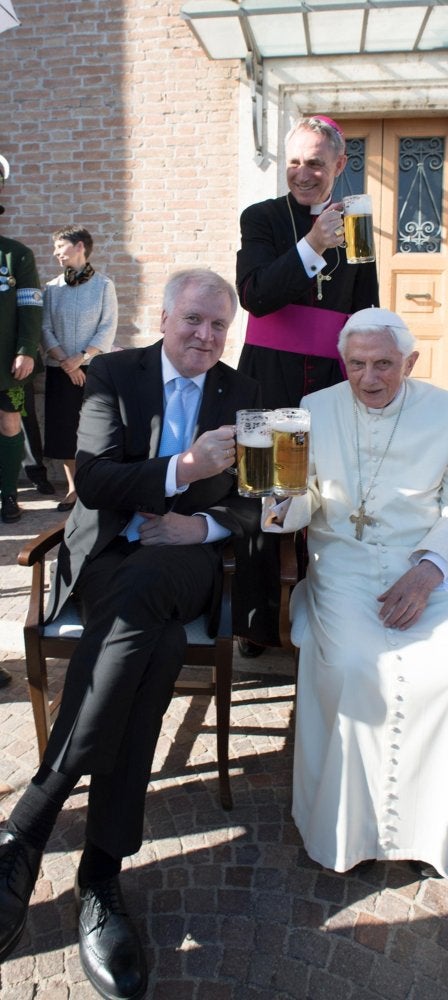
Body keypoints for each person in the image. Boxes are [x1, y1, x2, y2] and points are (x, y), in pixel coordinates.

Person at [0, 269, 262, 998]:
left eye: (219, 325)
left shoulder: (242, 394)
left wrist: (199, 526)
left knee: (152, 588)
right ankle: (100, 877)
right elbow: (95, 479)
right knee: (159, 645)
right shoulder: (115, 374)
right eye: (194, 319)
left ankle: (29, 825)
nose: (205, 335)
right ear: (165, 316)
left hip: (187, 561)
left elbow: (258, 501)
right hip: (109, 556)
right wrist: (184, 468)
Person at [262, 307, 448, 881]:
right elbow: (298, 501)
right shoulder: (311, 411)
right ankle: (347, 832)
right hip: (343, 567)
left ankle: (432, 831)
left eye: (384, 365)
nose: (369, 378)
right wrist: (279, 500)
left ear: (410, 362)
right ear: (343, 362)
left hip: (429, 566)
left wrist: (428, 573)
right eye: (356, 365)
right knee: (350, 666)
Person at [235, 116, 380, 654]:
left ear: (339, 165)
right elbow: (254, 295)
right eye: (294, 161)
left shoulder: (357, 222)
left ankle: (324, 612)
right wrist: (313, 244)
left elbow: (365, 307)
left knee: (328, 494)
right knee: (263, 494)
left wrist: (373, 368)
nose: (303, 173)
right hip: (267, 375)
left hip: (330, 380)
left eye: (316, 163)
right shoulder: (262, 218)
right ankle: (256, 622)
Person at [42, 225, 118, 512]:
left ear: (79, 247)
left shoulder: (104, 286)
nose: (55, 253)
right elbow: (45, 328)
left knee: (96, 429)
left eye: (60, 246)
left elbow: (107, 326)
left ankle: (95, 484)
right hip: (60, 370)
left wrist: (82, 357)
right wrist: (67, 362)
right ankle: (73, 489)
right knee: (64, 431)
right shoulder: (52, 288)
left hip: (94, 370)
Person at [0, 153, 43, 527]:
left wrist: (27, 350)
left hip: (6, 361)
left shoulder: (17, 255)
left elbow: (31, 306)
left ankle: (8, 495)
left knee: (9, 423)